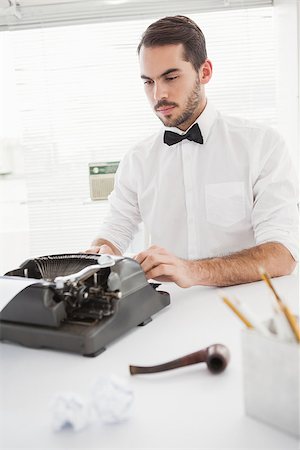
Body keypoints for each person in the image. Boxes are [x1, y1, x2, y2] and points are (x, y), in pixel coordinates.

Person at [85, 15, 298, 288]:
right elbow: (115, 229)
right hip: (166, 315)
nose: (157, 94)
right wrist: (100, 252)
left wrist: (192, 271)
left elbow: (282, 254)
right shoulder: (137, 160)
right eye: (148, 82)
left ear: (204, 72)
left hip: (247, 317)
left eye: (170, 77)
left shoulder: (263, 145)